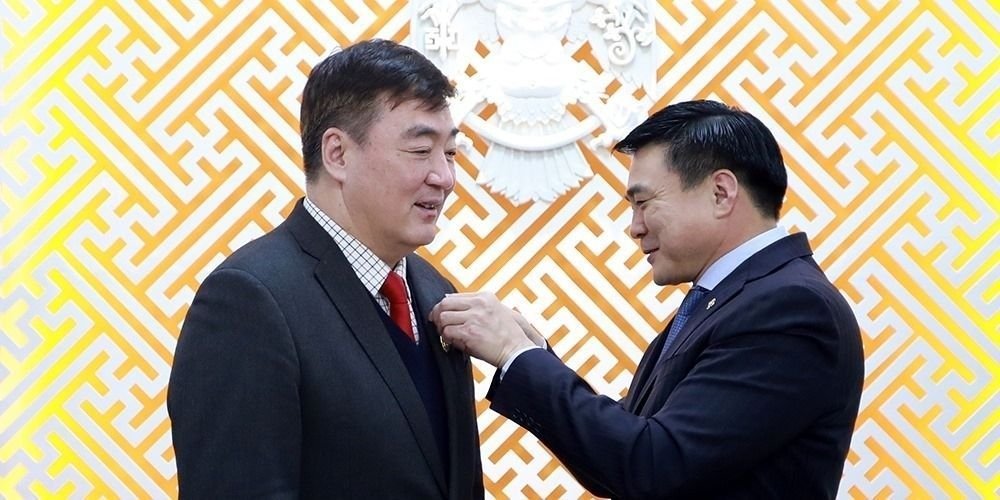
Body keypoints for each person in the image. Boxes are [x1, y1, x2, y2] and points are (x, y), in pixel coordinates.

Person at [431, 100, 864, 499]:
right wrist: (534, 354)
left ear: (721, 193)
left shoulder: (790, 308)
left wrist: (516, 355)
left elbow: (651, 465)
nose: (634, 227)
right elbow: (629, 448)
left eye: (643, 203)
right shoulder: (729, 299)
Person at [168, 39, 484, 499]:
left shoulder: (437, 292)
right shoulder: (249, 300)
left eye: (450, 153)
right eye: (420, 151)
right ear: (337, 153)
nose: (444, 177)